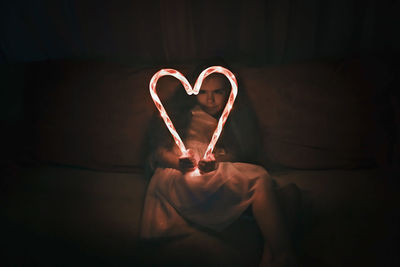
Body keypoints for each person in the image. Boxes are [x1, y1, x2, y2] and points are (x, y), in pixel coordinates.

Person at [141, 60, 298, 267]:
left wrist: (215, 162)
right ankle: (283, 256)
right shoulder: (182, 116)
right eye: (203, 92)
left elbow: (233, 154)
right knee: (261, 180)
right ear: (191, 91)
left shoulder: (232, 121)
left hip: (211, 170)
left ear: (229, 93)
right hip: (180, 175)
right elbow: (159, 152)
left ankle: (273, 255)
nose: (210, 99)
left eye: (218, 92)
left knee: (277, 189)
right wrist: (179, 163)